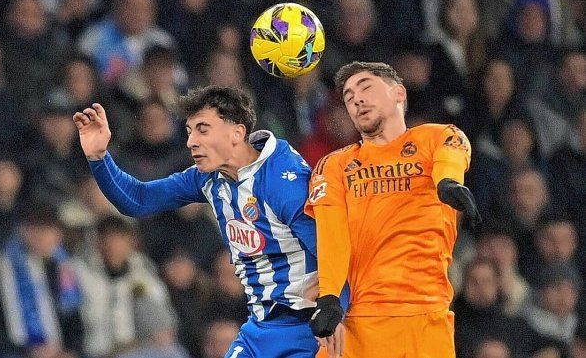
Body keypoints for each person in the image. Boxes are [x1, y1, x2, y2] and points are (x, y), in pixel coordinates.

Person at [73, 86, 320, 357]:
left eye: (203, 129)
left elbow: (330, 251)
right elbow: (138, 199)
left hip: (307, 326)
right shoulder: (209, 177)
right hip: (261, 328)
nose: (191, 141)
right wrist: (99, 157)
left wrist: (336, 315)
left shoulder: (284, 180)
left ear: (237, 133)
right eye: (189, 131)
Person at [305, 62, 481, 358]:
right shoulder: (334, 165)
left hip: (425, 319)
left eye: (366, 88)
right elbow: (332, 235)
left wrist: (448, 183)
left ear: (398, 93)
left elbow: (452, 154)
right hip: (361, 323)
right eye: (348, 97)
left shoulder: (435, 137)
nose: (357, 99)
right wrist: (329, 297)